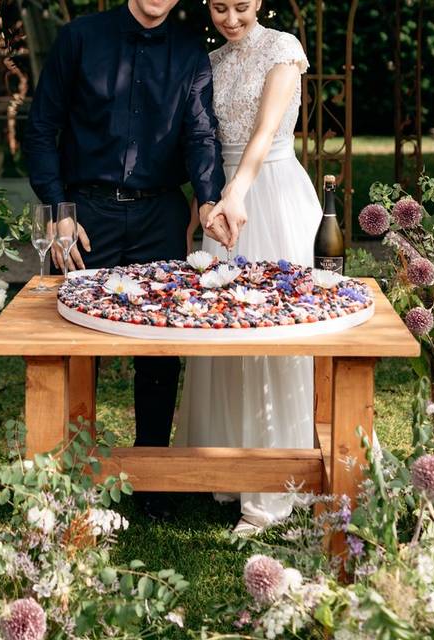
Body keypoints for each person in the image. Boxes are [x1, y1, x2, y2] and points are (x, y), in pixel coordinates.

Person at [24, 0, 231, 519]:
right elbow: (42, 126)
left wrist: (208, 198)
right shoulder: (79, 39)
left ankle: (153, 479)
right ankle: (70, 472)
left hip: (159, 217)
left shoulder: (190, 52)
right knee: (74, 346)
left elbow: (201, 134)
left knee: (159, 355)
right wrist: (58, 210)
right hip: (84, 217)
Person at [175, 0, 322, 536]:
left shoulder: (284, 49)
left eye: (241, 7)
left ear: (259, 2)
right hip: (222, 208)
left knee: (272, 328)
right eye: (219, 8)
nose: (231, 19)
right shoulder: (209, 63)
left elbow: (262, 135)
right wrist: (205, 200)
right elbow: (205, 140)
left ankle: (273, 488)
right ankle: (222, 467)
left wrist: (238, 191)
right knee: (219, 327)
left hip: (272, 194)